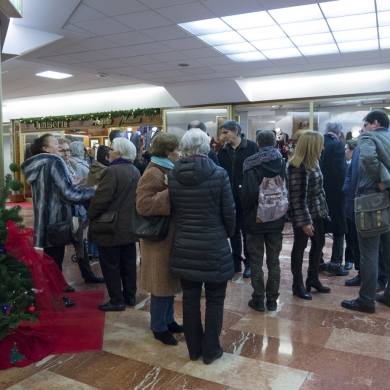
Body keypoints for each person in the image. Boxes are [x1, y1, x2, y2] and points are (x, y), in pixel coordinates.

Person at [169, 129, 235, 365]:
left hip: (184, 245)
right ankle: (210, 350)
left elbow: (175, 210)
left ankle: (194, 349)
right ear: (206, 147)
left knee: (189, 299)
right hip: (214, 245)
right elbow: (229, 213)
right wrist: (225, 235)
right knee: (215, 300)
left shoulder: (173, 175)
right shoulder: (219, 173)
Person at [21, 133, 95, 292]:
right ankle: (56, 291)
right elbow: (68, 194)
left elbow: (53, 189)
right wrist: (92, 191)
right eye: (55, 143)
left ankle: (55, 286)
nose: (59, 146)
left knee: (51, 257)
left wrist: (70, 183)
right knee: (56, 256)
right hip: (58, 219)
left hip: (44, 219)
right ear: (45, 148)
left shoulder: (38, 164)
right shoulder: (54, 161)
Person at [136, 132, 183, 346]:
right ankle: (158, 326)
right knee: (160, 285)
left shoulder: (167, 169)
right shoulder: (154, 171)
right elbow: (143, 204)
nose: (180, 154)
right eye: (177, 150)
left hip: (167, 237)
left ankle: (168, 319)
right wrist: (170, 191)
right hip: (158, 239)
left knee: (168, 283)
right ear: (167, 152)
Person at [342, 110, 390, 314]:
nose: (362, 129)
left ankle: (366, 300)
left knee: (369, 254)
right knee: (388, 253)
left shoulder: (369, 137)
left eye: (365, 124)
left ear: (375, 123)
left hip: (372, 200)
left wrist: (382, 182)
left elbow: (369, 158)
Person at [87, 138, 140, 311]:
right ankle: (130, 296)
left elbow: (101, 199)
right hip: (129, 226)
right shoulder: (134, 170)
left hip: (110, 227)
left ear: (119, 152)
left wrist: (90, 215)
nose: (109, 151)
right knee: (128, 263)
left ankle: (116, 300)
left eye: (111, 149)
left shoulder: (112, 171)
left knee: (110, 265)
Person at [240, 130, 286, 312]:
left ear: (258, 143)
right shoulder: (282, 162)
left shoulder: (252, 165)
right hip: (276, 218)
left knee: (256, 262)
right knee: (274, 262)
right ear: (275, 143)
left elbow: (248, 196)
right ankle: (273, 300)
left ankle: (258, 299)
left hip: (255, 221)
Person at [287, 130, 331, 300]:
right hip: (303, 213)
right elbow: (296, 198)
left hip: (317, 210)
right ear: (312, 146)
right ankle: (297, 284)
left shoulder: (314, 162)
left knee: (319, 242)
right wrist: (305, 221)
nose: (323, 147)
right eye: (320, 144)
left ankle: (312, 279)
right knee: (300, 246)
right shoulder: (297, 165)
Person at [57, 139, 104, 284]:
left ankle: (87, 274)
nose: (66, 154)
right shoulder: (57, 167)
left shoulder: (70, 165)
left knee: (79, 242)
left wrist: (76, 185)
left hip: (75, 208)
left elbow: (71, 187)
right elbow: (65, 191)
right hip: (61, 212)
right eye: (63, 150)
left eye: (67, 150)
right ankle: (58, 282)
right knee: (59, 248)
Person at [217, 120, 258, 278]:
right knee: (233, 231)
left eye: (226, 132)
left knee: (248, 231)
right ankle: (236, 263)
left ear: (236, 131)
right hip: (229, 196)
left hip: (247, 196)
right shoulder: (223, 151)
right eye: (223, 132)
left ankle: (249, 263)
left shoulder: (251, 147)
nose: (223, 136)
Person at [319, 122, 349, 276]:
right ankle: (336, 263)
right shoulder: (337, 145)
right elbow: (341, 171)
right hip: (335, 194)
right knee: (339, 229)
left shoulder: (318, 142)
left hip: (318, 193)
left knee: (320, 228)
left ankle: (318, 261)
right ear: (338, 131)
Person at [86, 145, 110, 259]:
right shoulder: (105, 171)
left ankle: (91, 250)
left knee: (92, 226)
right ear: (107, 156)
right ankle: (95, 251)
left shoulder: (93, 167)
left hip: (90, 201)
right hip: (99, 202)